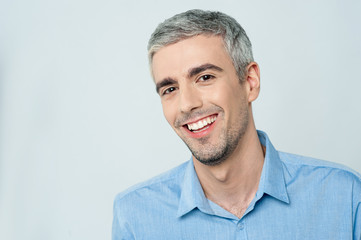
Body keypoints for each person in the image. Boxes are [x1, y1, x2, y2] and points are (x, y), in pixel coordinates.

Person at [112, 9, 361, 239]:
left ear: (250, 82)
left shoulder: (345, 195)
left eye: (205, 77)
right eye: (170, 89)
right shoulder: (134, 217)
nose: (186, 104)